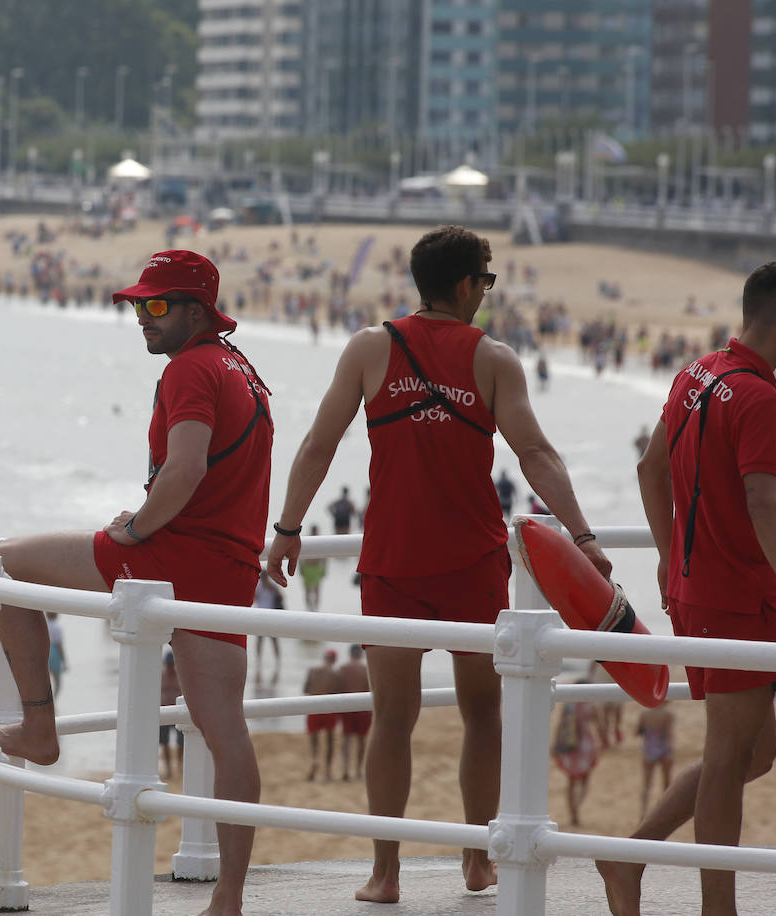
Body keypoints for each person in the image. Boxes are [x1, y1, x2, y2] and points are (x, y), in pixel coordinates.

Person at [265, 225, 611, 904]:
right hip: (474, 563)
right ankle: (477, 861)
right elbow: (536, 455)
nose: (486, 293)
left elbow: (317, 445)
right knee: (484, 714)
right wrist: (585, 537)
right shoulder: (493, 359)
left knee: (393, 718)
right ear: (463, 285)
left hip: (392, 562)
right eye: (485, 281)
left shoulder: (369, 349)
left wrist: (286, 528)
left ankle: (385, 872)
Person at [0, 250, 273, 915]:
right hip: (230, 566)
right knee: (226, 733)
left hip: (173, 557)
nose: (141, 318)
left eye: (155, 306)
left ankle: (38, 729)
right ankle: (228, 897)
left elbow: (185, 469)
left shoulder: (192, 368)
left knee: (1, 562)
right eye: (136, 306)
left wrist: (136, 529)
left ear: (196, 312)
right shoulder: (243, 368)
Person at [601, 260, 776, 916]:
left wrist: (675, 566)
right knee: (731, 756)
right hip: (737, 597)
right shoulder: (758, 397)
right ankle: (713, 907)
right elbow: (763, 502)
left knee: (756, 751)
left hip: (703, 591)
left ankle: (630, 853)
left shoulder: (696, 373)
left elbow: (650, 472)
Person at [551, 695, 601, 827]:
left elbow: (560, 725)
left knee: (571, 782)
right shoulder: (590, 705)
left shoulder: (569, 706)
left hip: (571, 745)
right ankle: (577, 806)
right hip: (586, 745)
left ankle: (573, 811)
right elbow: (599, 725)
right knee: (585, 780)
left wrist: (555, 743)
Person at [303, 648, 340, 781]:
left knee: (314, 740)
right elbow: (338, 693)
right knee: (330, 740)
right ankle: (328, 770)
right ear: (334, 660)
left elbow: (305, 689)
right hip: (329, 708)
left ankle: (315, 759)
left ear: (324, 658)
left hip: (314, 706)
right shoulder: (336, 674)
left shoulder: (313, 670)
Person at [337, 644, 371, 782]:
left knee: (346, 739)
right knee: (361, 740)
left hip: (348, 706)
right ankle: (358, 770)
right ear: (360, 654)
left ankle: (345, 769)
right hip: (363, 706)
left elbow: (338, 688)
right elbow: (371, 689)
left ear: (350, 654)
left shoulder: (343, 669)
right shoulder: (366, 670)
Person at [636, 699, 675, 817]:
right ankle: (665, 812)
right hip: (663, 746)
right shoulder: (668, 714)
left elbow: (638, 732)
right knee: (666, 784)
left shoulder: (644, 714)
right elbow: (669, 734)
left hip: (649, 747)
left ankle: (643, 812)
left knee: (646, 784)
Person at [158, 649, 185, 781]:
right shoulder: (160, 676)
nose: (169, 666)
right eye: (168, 663)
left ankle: (180, 767)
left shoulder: (181, 676)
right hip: (163, 712)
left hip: (178, 712)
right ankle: (168, 769)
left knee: (181, 742)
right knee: (164, 742)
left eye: (171, 663)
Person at [252, 570, 282, 683]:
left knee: (274, 641)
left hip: (271, 616)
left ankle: (278, 661)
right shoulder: (258, 586)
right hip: (260, 616)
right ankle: (258, 661)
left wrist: (270, 587)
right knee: (259, 641)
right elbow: (254, 599)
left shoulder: (272, 584)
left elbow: (280, 595)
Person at [298, 525, 327, 612]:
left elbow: (325, 556)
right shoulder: (307, 540)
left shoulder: (321, 541)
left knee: (317, 589)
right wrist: (300, 568)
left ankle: (316, 608)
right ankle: (308, 608)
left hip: (316, 567)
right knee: (307, 590)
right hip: (307, 567)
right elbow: (300, 554)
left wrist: (324, 568)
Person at [45, 611, 66, 697]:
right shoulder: (57, 628)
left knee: (45, 680)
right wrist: (64, 661)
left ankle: (46, 700)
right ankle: (54, 701)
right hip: (55, 653)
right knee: (57, 681)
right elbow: (60, 646)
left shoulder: (44, 625)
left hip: (45, 651)